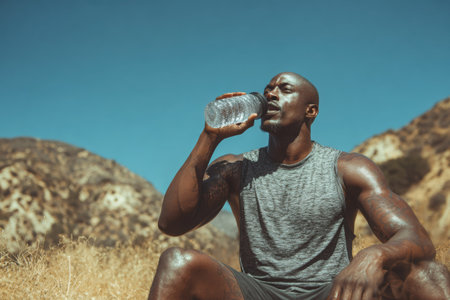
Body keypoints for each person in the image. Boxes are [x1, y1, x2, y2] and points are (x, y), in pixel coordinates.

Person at [148, 72, 450, 300]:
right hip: (259, 292)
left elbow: (417, 239)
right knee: (177, 261)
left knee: (427, 273)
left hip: (332, 292)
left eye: (284, 89)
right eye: (268, 90)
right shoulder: (236, 168)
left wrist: (373, 255)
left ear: (311, 111)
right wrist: (209, 138)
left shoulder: (348, 168)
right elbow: (172, 223)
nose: (271, 95)